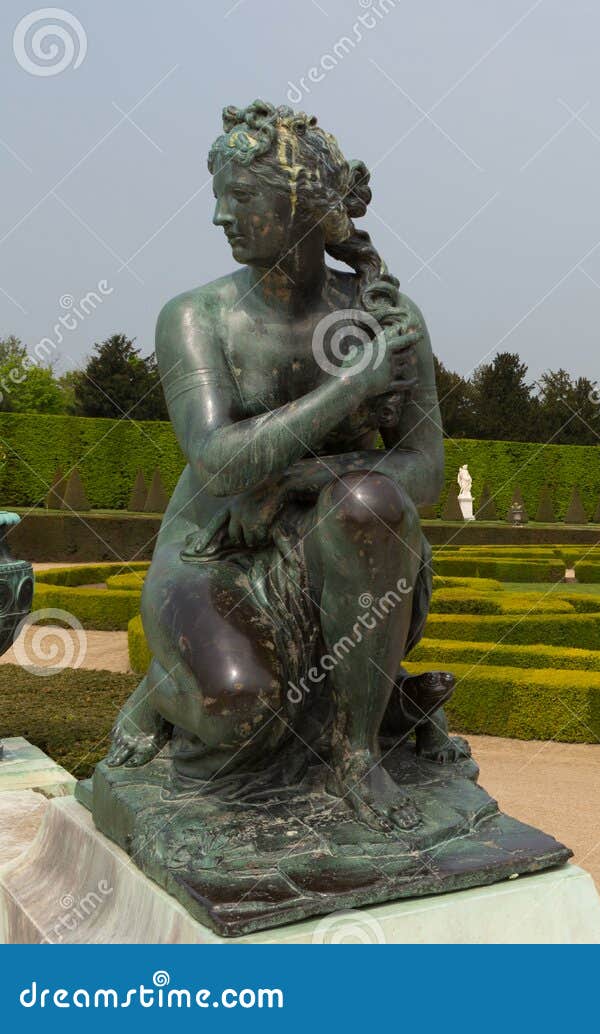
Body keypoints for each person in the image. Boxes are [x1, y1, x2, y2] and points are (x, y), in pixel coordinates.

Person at [103, 101, 460, 832]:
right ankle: (162, 689)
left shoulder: (386, 315)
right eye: (219, 196)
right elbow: (220, 461)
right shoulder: (195, 317)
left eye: (239, 196)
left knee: (370, 504)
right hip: (216, 553)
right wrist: (354, 386)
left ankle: (357, 753)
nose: (218, 217)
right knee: (238, 708)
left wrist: (304, 480)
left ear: (298, 201)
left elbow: (424, 470)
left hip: (334, 547)